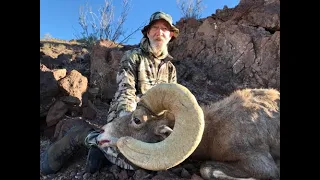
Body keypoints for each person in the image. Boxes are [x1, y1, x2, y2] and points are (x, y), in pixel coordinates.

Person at [40, 11, 180, 175]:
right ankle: (84, 135)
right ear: (148, 32)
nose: (159, 32)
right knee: (131, 159)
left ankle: (102, 151)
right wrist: (127, 118)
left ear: (170, 35)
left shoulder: (171, 69)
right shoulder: (133, 56)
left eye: (164, 28)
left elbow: (172, 101)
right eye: (155, 27)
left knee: (160, 156)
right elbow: (125, 90)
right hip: (129, 113)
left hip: (152, 123)